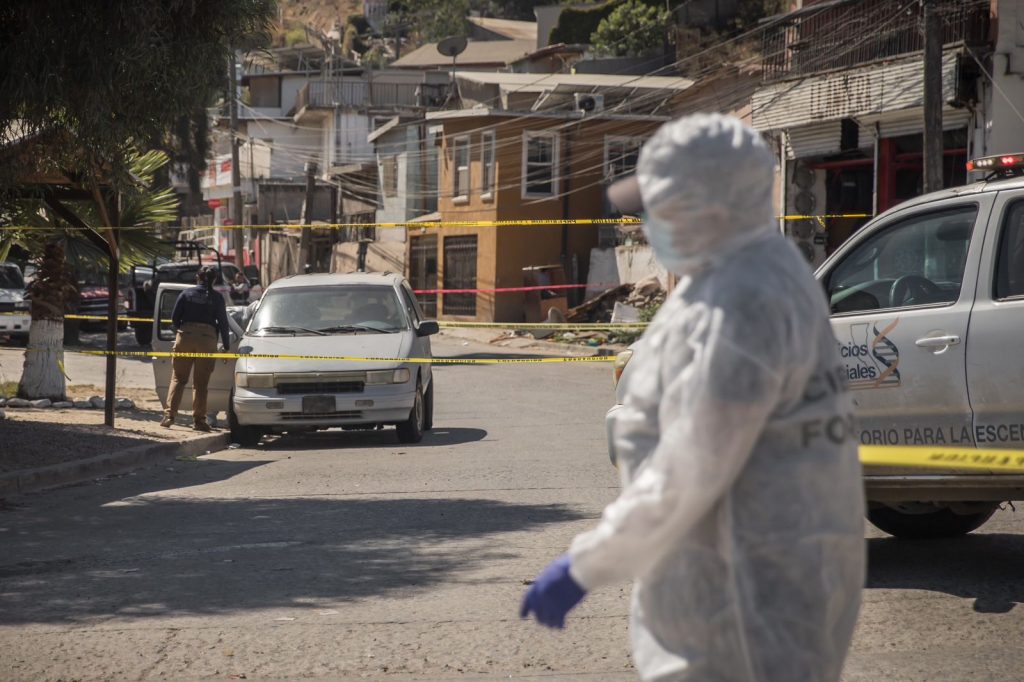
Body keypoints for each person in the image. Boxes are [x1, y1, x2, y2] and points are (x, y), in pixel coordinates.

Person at [520, 114, 865, 681]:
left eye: (660, 205)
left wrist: (586, 564)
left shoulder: (738, 304)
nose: (648, 221)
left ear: (707, 206)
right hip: (770, 581)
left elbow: (690, 467)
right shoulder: (765, 271)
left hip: (736, 603)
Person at [161, 265, 231, 432]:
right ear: (214, 280)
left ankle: (169, 416)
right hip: (207, 340)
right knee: (201, 384)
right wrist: (226, 346)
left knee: (178, 378)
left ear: (197, 277)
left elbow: (174, 319)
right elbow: (223, 323)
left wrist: (183, 332)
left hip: (185, 336)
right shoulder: (217, 298)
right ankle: (199, 421)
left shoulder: (186, 294)